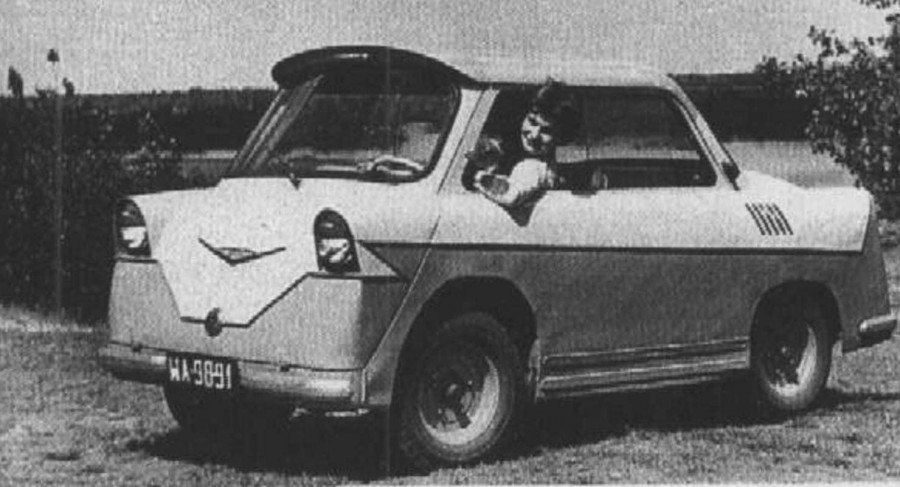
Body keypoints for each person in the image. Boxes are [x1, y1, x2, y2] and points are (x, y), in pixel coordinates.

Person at [473, 80, 579, 209]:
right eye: (532, 122)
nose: (534, 135)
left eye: (546, 131)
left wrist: (478, 177)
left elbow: (511, 194)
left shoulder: (534, 168)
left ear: (560, 138)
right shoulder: (528, 159)